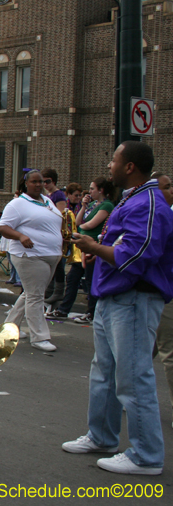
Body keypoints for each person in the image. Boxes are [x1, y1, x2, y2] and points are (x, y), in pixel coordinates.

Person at [65, 141, 173, 476]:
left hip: (135, 298)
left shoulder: (149, 201)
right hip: (113, 296)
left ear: (129, 167)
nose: (109, 165)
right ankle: (102, 436)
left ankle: (146, 455)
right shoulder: (133, 199)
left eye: (113, 159)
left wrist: (94, 246)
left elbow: (139, 254)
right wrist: (99, 247)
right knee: (105, 372)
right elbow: (124, 244)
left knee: (133, 377)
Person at [0, 169, 63, 352]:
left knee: (31, 292)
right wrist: (20, 236)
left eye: (41, 181)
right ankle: (39, 337)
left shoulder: (47, 201)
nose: (38, 184)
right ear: (26, 183)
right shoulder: (17, 204)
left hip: (51, 254)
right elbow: (2, 227)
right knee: (35, 295)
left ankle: (10, 326)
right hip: (31, 256)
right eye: (34, 181)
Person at [48, 177, 114, 321]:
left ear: (101, 190)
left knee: (90, 280)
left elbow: (89, 225)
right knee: (72, 278)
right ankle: (63, 310)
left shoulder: (107, 205)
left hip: (93, 246)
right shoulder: (92, 205)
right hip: (81, 247)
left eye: (92, 189)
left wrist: (75, 232)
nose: (89, 192)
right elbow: (78, 221)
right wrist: (84, 206)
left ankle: (92, 312)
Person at [151, 172, 173, 429]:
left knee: (147, 349)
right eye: (166, 187)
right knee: (169, 350)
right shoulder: (158, 217)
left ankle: (126, 392)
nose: (171, 191)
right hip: (163, 291)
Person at [41, 168, 69, 306]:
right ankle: (49, 289)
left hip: (56, 232)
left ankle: (58, 291)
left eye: (48, 181)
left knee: (58, 264)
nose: (45, 184)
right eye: (43, 181)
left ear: (54, 181)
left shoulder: (58, 195)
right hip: (48, 232)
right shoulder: (46, 196)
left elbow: (61, 214)